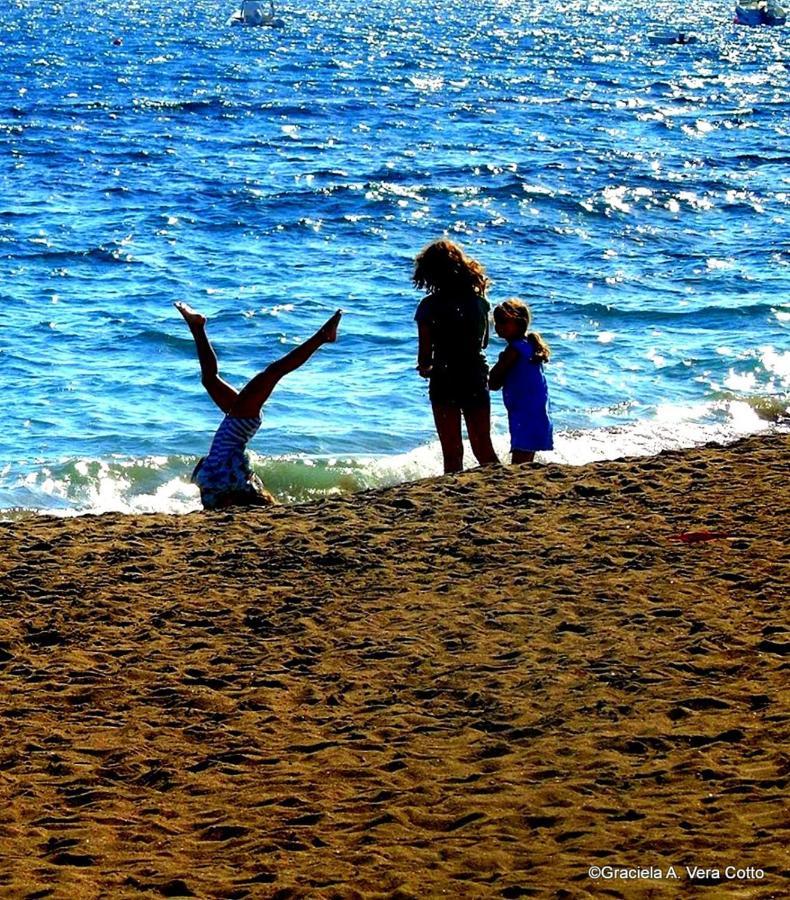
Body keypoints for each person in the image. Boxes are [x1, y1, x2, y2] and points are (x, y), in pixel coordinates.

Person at [175, 302, 341, 510]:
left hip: (236, 419)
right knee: (273, 373)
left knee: (210, 380)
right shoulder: (231, 479)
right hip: (241, 423)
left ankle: (197, 327)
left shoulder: (216, 490)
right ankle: (323, 337)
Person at [413, 239, 499, 474]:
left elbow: (424, 357)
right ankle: (502, 487)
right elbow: (483, 343)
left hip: (445, 376)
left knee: (452, 452)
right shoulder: (480, 303)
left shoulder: (428, 307)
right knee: (483, 446)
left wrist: (425, 368)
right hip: (475, 374)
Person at [488, 299, 553, 464]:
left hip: (525, 409)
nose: (498, 326)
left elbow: (494, 382)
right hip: (535, 407)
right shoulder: (529, 346)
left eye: (503, 322)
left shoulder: (514, 350)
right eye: (496, 322)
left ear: (519, 323)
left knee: (521, 453)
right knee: (526, 452)